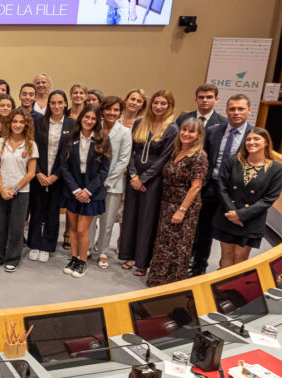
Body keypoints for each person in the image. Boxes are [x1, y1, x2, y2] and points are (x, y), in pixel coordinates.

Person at [191, 94, 253, 275]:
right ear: (226, 111)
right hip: (211, 186)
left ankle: (225, 271)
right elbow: (205, 159)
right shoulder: (213, 131)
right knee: (203, 229)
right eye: (232, 109)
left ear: (249, 111)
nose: (236, 112)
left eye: (240, 109)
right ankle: (198, 266)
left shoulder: (253, 136)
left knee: (230, 232)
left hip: (236, 192)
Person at [119, 90, 179, 277]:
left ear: (169, 106)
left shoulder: (172, 129)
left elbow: (164, 158)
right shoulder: (139, 122)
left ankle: (143, 261)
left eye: (163, 104)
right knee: (130, 217)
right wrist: (134, 175)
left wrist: (144, 179)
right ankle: (129, 255)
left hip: (153, 181)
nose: (158, 107)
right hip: (134, 178)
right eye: (155, 103)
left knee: (146, 220)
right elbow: (130, 151)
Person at [147, 119, 208, 287]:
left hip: (184, 206)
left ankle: (173, 284)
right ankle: (158, 279)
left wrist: (181, 210)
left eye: (192, 131)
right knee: (164, 242)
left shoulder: (199, 156)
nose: (186, 134)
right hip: (167, 203)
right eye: (184, 129)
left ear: (199, 135)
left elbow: (196, 187)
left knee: (178, 246)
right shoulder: (177, 151)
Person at [213, 127, 282, 268]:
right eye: (248, 139)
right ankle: (221, 288)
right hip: (228, 215)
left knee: (240, 258)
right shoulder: (234, 161)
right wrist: (232, 213)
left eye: (256, 139)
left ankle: (234, 288)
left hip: (251, 220)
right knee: (226, 255)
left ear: (266, 143)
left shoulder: (276, 169)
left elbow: (269, 198)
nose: (251, 142)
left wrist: (241, 215)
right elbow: (222, 187)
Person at [60, 105, 112, 278]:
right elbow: (64, 166)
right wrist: (75, 189)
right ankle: (74, 258)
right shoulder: (69, 138)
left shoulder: (102, 140)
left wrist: (88, 190)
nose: (89, 121)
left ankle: (83, 261)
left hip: (92, 190)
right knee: (73, 228)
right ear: (81, 118)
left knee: (83, 229)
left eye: (93, 119)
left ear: (97, 121)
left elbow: (104, 171)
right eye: (86, 117)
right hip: (73, 188)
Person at [0, 108, 38, 272]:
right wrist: (2, 188)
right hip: (1, 189)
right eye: (14, 121)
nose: (17, 125)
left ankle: (12, 258)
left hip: (21, 192)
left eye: (21, 122)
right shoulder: (0, 142)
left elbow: (31, 172)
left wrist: (15, 188)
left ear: (26, 125)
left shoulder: (31, 145)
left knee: (17, 226)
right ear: (9, 123)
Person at [28, 90, 73, 262]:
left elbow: (70, 154)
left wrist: (56, 175)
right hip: (38, 173)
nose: (56, 106)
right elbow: (31, 148)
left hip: (58, 176)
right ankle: (34, 243)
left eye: (60, 102)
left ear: (65, 104)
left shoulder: (72, 124)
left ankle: (47, 245)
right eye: (53, 103)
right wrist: (38, 172)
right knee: (37, 209)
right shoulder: (38, 122)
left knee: (53, 211)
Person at [88, 97, 132, 270]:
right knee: (90, 218)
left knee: (107, 220)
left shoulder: (124, 132)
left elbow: (123, 160)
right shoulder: (94, 127)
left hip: (112, 184)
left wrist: (106, 182)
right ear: (102, 110)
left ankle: (103, 251)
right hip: (91, 183)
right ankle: (89, 247)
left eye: (115, 110)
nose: (111, 113)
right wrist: (94, 183)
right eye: (108, 109)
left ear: (120, 112)